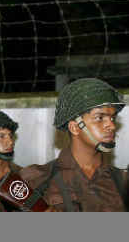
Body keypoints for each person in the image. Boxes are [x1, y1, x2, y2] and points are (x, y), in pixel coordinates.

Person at [19, 78, 127, 211]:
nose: (111, 125)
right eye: (99, 118)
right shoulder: (36, 180)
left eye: (112, 118)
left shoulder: (122, 182)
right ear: (75, 127)